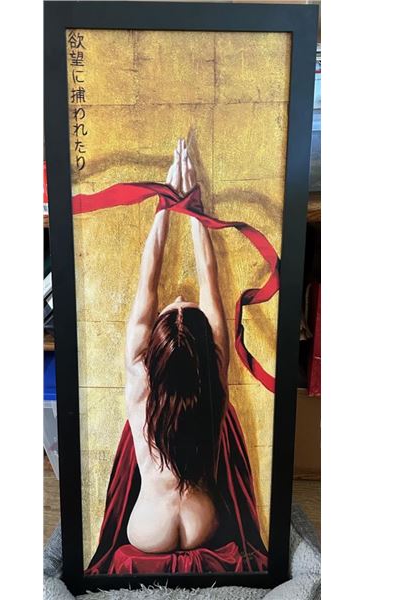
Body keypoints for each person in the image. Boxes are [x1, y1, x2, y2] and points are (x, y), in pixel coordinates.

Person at [125, 139, 228, 554]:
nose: (182, 297)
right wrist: (193, 205)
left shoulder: (140, 379)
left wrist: (165, 205)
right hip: (202, 521)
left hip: (149, 527)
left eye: (176, 307)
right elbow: (208, 279)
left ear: (155, 349)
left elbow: (147, 282)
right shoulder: (213, 380)